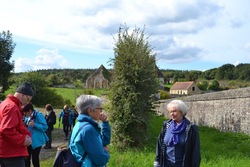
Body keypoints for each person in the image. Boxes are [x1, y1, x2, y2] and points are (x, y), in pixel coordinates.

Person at [154, 100, 201, 167]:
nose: (172, 114)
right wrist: (157, 162)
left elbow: (195, 151)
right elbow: (159, 144)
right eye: (170, 112)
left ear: (182, 112)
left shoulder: (191, 128)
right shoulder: (166, 126)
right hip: (166, 164)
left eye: (174, 111)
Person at [69, 95, 110, 167]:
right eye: (99, 108)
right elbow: (100, 159)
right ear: (90, 111)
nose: (101, 112)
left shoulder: (79, 124)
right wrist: (105, 152)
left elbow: (104, 141)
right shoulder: (88, 129)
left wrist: (105, 123)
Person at [0, 82, 34, 167]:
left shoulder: (6, 103)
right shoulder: (12, 107)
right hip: (12, 152)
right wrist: (23, 139)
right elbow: (7, 129)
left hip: (5, 150)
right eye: (28, 99)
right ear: (22, 95)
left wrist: (27, 135)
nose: (27, 103)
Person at [22, 103, 49, 167]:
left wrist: (35, 125)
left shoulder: (38, 115)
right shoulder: (28, 116)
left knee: (35, 159)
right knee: (26, 159)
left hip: (36, 142)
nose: (25, 114)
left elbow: (45, 127)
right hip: (28, 141)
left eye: (26, 112)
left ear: (30, 111)